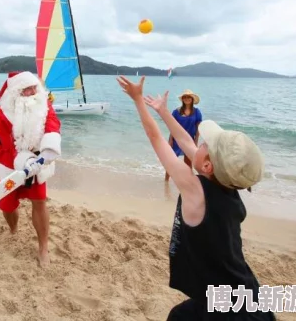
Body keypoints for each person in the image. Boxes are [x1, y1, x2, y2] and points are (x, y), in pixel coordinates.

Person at [117, 76, 274, 320]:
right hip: (245, 291)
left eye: (205, 145)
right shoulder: (228, 186)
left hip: (225, 307)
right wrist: (162, 111)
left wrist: (138, 100)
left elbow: (156, 139)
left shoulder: (194, 189)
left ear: (208, 165)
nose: (198, 145)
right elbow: (185, 141)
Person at [0, 71, 61, 266]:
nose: (31, 92)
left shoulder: (43, 103)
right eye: (26, 89)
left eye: (33, 87)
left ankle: (43, 247)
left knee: (39, 201)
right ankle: (13, 228)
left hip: (37, 158)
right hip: (6, 159)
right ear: (15, 92)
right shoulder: (2, 114)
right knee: (7, 204)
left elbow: (52, 125)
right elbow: (6, 144)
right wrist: (23, 161)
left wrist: (48, 151)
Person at [166, 89, 203, 181]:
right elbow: (172, 126)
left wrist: (196, 141)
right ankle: (166, 181)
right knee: (171, 161)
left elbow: (199, 128)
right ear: (182, 99)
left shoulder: (197, 112)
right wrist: (170, 139)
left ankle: (188, 181)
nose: (186, 99)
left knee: (188, 163)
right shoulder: (176, 112)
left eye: (188, 97)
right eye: (185, 97)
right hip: (176, 139)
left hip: (190, 139)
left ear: (192, 99)